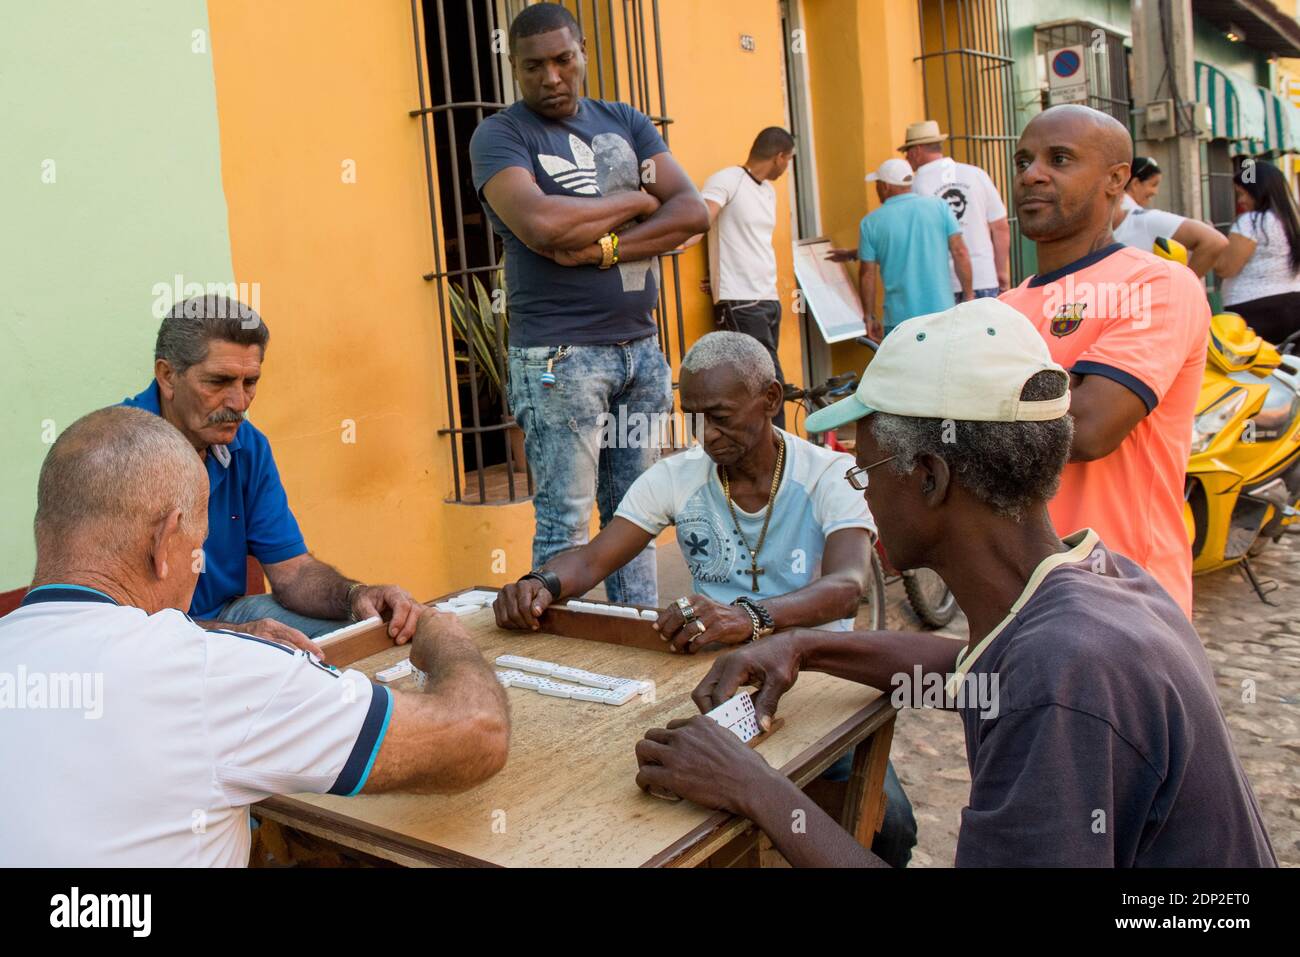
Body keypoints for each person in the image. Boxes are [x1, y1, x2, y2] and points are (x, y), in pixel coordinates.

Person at [633, 300, 1277, 867]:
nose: (862, 491)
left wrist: (753, 786)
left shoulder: (1062, 676)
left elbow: (1030, 686)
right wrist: (803, 647)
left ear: (931, 478)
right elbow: (976, 667)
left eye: (867, 471)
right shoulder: (1102, 582)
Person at [0, 407, 510, 867]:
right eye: (196, 548)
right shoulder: (209, 674)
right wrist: (445, 638)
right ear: (164, 542)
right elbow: (477, 732)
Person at [494, 331, 917, 868]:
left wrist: (750, 618)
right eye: (693, 415)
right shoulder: (677, 478)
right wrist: (540, 585)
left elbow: (845, 587)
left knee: (890, 824)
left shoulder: (828, 475)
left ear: (769, 399)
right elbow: (593, 559)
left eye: (720, 415)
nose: (707, 434)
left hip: (818, 682)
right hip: (717, 684)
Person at [469, 2, 708, 607]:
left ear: (581, 55)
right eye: (533, 67)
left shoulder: (626, 121)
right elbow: (543, 224)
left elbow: (692, 211)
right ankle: (565, 659)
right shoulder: (501, 134)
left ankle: (634, 646)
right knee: (565, 526)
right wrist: (639, 200)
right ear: (515, 71)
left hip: (641, 350)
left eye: (562, 60)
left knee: (638, 518)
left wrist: (602, 248)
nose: (550, 77)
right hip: (560, 357)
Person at [122, 296, 427, 654]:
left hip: (229, 617)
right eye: (219, 382)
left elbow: (293, 573)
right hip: (143, 641)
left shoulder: (248, 446)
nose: (239, 402)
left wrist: (356, 595)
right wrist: (231, 635)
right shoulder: (114, 451)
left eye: (250, 382)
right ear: (167, 375)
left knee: (377, 630)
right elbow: (114, 617)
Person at [999, 105, 1210, 617]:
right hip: (1017, 600)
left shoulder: (1156, 284)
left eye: (1060, 158)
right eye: (1023, 160)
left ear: (1116, 179)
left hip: (1124, 597)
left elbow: (1088, 428)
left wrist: (968, 405)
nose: (1032, 174)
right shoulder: (1000, 310)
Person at [690, 127, 796, 427]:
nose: (786, 167)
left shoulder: (767, 191)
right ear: (779, 157)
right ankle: (779, 452)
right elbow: (700, 221)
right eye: (788, 160)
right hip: (740, 300)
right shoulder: (728, 180)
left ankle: (770, 448)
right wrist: (669, 243)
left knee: (763, 380)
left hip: (768, 298)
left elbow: (747, 240)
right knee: (767, 380)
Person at [852, 158, 972, 338]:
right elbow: (960, 252)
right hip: (942, 313)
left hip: (899, 321)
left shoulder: (870, 223)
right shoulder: (939, 207)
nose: (876, 188)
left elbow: (867, 274)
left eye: (877, 183)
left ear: (885, 186)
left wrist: (869, 316)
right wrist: (968, 296)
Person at [900, 119, 1011, 300]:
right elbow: (1001, 227)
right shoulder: (976, 174)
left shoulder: (915, 186)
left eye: (907, 152)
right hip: (984, 277)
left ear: (916, 151)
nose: (906, 158)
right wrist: (1001, 273)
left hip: (941, 284)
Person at [1214, 158, 1300, 345]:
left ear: (1259, 191)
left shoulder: (1251, 222)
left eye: (1244, 193)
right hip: (1295, 307)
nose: (1240, 200)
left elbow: (1226, 268)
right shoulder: (1292, 222)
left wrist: (1211, 240)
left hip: (1254, 311)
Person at [1112, 155, 1226, 277]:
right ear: (1135, 183)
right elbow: (1214, 241)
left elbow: (1214, 241)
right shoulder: (1143, 219)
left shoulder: (1142, 219)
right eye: (1153, 184)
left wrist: (1181, 287)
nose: (1155, 192)